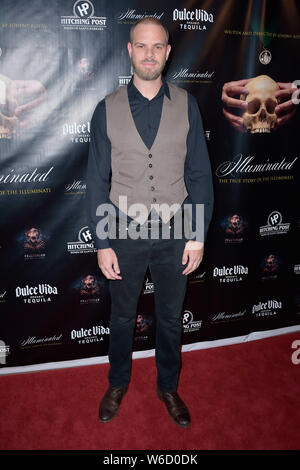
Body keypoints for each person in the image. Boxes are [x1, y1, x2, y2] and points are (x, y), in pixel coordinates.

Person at [86, 17, 214, 428]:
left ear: (168, 52)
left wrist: (196, 236)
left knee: (171, 316)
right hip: (124, 229)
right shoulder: (105, 108)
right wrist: (103, 242)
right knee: (122, 316)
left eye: (157, 47)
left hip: (177, 229)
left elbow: (199, 174)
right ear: (129, 50)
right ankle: (118, 383)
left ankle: (168, 387)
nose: (149, 54)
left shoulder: (188, 104)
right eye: (142, 46)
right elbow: (96, 180)